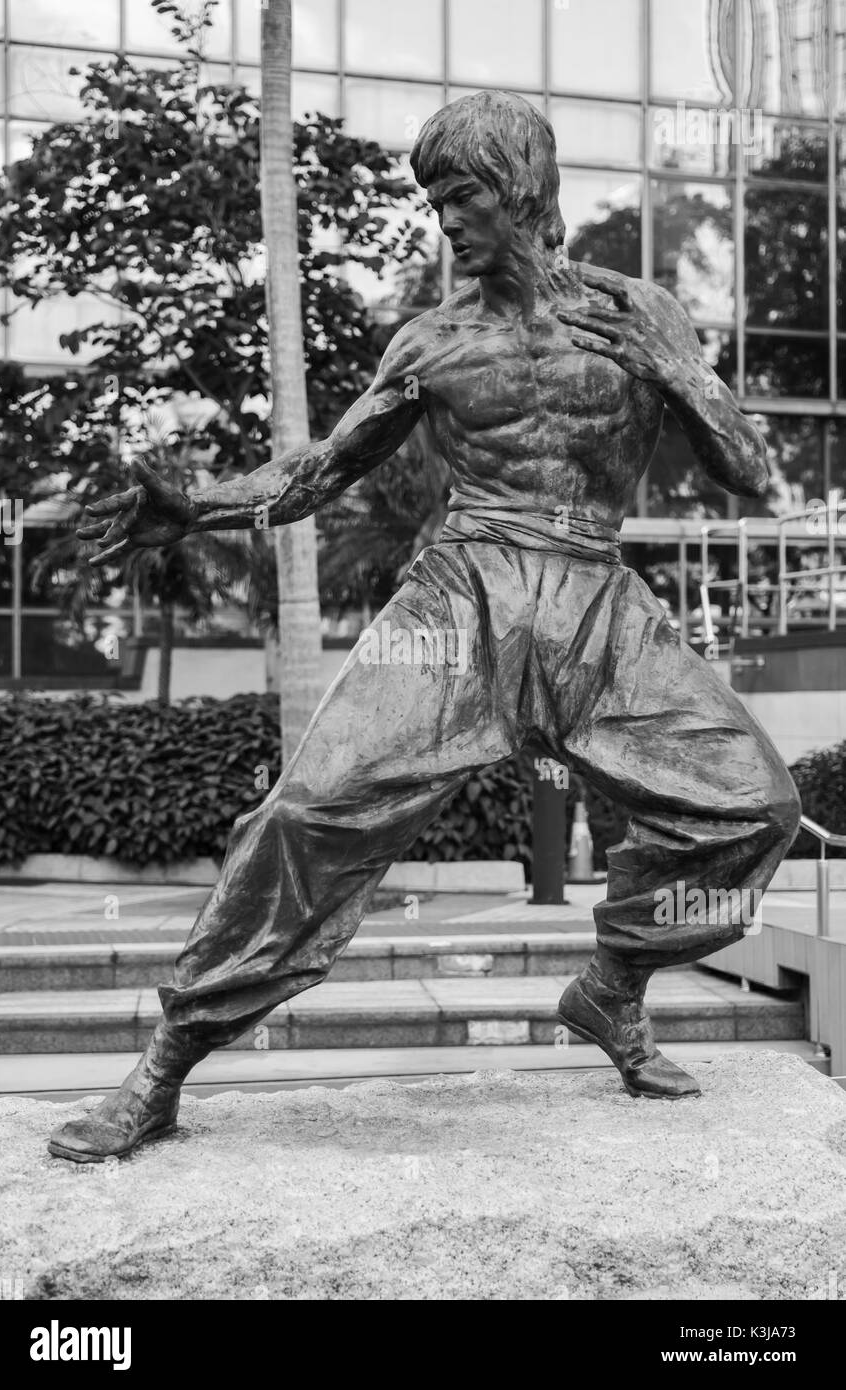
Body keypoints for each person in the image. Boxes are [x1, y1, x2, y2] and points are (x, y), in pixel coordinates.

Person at [49, 91, 800, 1163]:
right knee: (306, 811)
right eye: (434, 200)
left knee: (752, 809)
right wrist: (197, 505)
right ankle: (162, 1069)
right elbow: (320, 471)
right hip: (460, 604)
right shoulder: (432, 340)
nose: (445, 220)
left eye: (464, 196)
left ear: (527, 192)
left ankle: (611, 986)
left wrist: (674, 368)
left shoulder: (640, 314)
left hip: (593, 601)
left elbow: (747, 473)